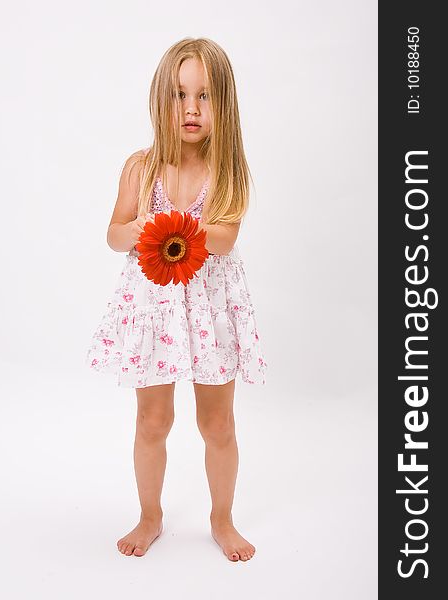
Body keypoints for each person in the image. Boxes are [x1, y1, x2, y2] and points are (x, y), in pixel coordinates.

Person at [85, 37, 267, 562]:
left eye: (204, 96)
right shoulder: (140, 168)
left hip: (210, 308)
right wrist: (142, 226)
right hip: (155, 306)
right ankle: (149, 515)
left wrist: (182, 228)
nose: (190, 108)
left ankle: (222, 518)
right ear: (160, 100)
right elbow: (115, 234)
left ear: (222, 105)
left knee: (217, 423)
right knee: (152, 419)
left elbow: (226, 236)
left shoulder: (227, 170)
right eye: (180, 94)